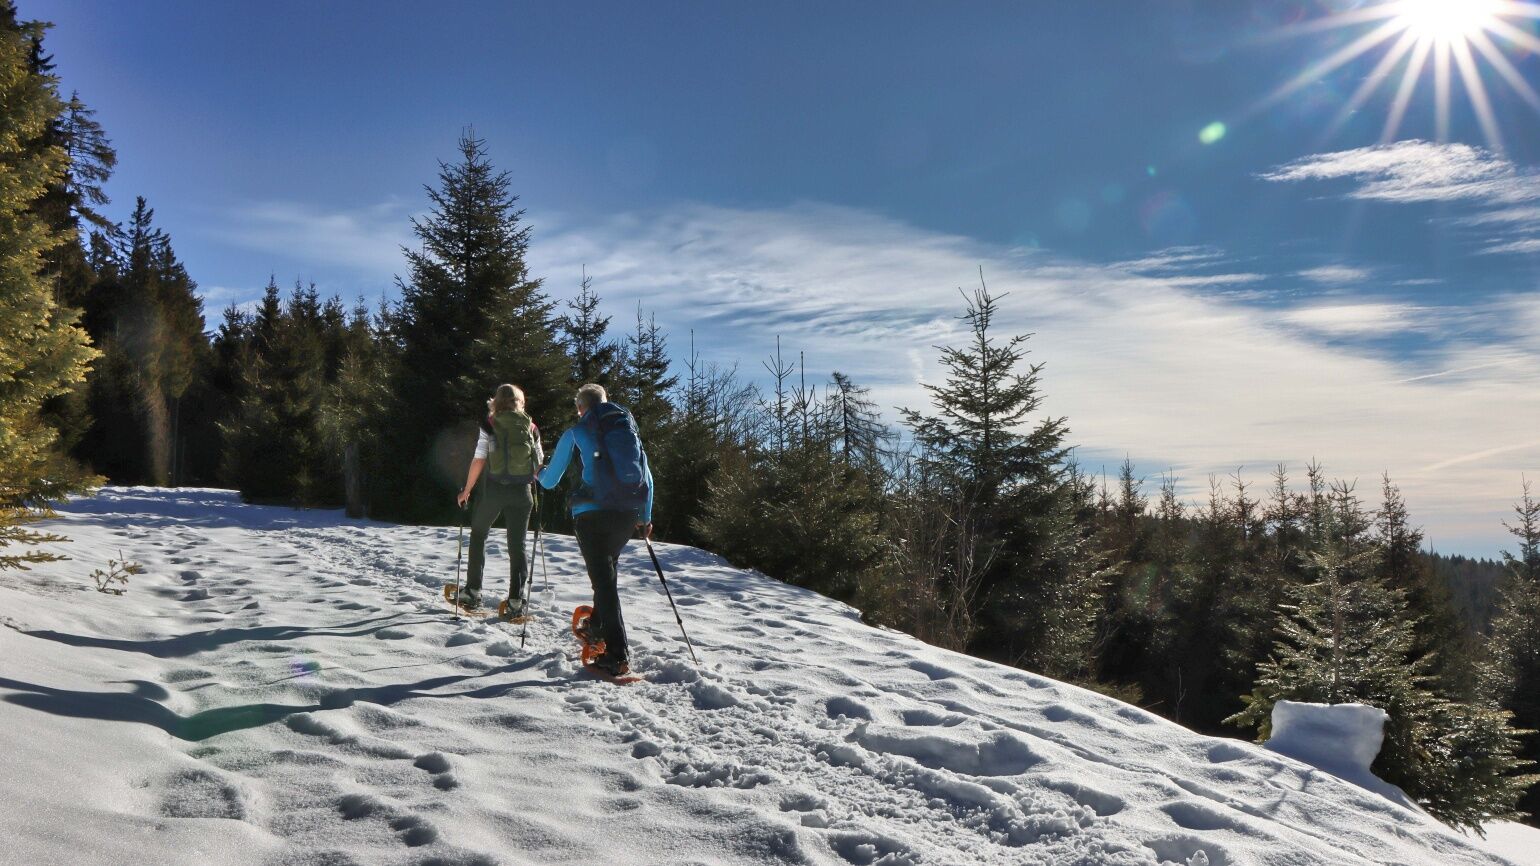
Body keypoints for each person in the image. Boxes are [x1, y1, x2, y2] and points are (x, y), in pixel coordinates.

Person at [538, 383, 653, 675]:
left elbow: (550, 481)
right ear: (605, 402)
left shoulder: (576, 432)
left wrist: (538, 472)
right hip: (626, 515)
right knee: (606, 574)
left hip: (591, 515)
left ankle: (617, 655)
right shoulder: (627, 430)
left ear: (581, 408)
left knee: (604, 583)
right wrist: (645, 517)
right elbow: (646, 476)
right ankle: (599, 625)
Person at [456, 384, 543, 612]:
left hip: (494, 490)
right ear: (520, 401)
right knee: (518, 545)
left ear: (495, 401)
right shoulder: (530, 426)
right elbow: (539, 461)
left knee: (479, 534)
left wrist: (467, 490)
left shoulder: (490, 424)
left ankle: (473, 592)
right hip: (522, 492)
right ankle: (516, 601)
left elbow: (479, 459)